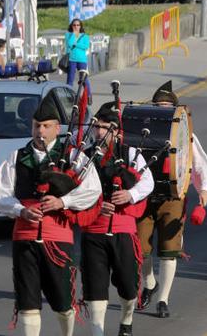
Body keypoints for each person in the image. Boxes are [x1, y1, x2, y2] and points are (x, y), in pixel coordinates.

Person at [0, 96, 101, 336]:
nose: (40, 131)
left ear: (57, 129)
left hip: (57, 237)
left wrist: (63, 201)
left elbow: (93, 190)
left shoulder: (72, 156)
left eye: (46, 126)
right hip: (24, 237)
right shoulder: (17, 157)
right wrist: (21, 210)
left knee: (62, 301)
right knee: (28, 300)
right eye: (36, 126)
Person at [137, 81, 207, 319]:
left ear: (174, 109)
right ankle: (150, 283)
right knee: (140, 249)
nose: (162, 109)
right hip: (145, 196)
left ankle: (163, 299)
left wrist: (204, 190)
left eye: (166, 106)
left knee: (169, 250)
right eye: (158, 105)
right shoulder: (142, 133)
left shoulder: (185, 135)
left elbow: (200, 166)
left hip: (173, 197)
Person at [80, 102, 153, 336]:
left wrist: (129, 195)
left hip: (123, 230)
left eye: (104, 127)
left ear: (115, 130)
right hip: (94, 230)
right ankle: (97, 332)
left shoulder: (131, 154)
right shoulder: (83, 157)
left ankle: (126, 320)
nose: (99, 132)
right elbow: (75, 189)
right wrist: (96, 205)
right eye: (96, 127)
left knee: (128, 286)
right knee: (95, 286)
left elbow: (147, 182)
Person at [64, 18, 92, 100]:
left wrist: (76, 44)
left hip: (82, 60)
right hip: (72, 59)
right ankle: (68, 95)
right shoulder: (68, 35)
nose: (76, 26)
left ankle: (88, 95)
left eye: (78, 25)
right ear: (71, 26)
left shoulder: (85, 36)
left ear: (80, 26)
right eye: (74, 25)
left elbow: (86, 46)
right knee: (70, 79)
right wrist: (73, 34)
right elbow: (69, 44)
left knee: (84, 79)